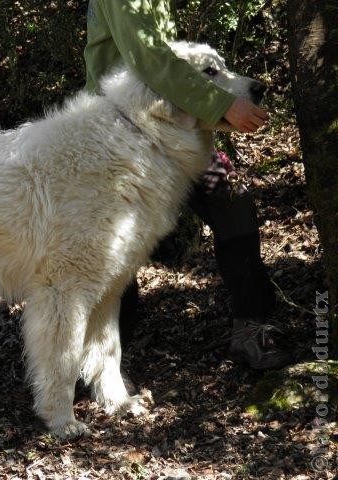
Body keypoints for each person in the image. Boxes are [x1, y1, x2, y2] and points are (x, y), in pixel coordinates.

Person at [84, 0, 291, 370]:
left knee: (230, 199)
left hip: (176, 137)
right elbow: (152, 60)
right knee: (113, 239)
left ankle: (252, 328)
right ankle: (101, 355)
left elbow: (175, 62)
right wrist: (222, 105)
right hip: (119, 140)